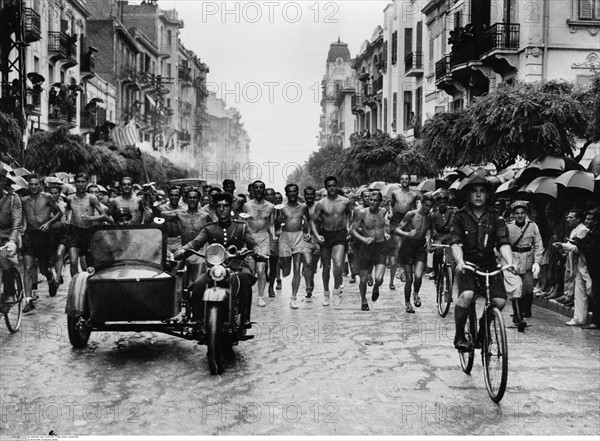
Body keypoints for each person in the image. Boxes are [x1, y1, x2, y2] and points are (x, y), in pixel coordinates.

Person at [174, 192, 265, 327]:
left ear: (231, 207)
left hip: (237, 265)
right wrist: (183, 250)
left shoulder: (241, 226)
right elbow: (196, 243)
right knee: (198, 285)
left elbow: (253, 243)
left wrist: (257, 251)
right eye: (218, 206)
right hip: (214, 268)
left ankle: (244, 318)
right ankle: (198, 319)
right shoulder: (209, 228)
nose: (222, 209)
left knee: (244, 280)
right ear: (214, 208)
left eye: (226, 206)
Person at [450, 175, 515, 352]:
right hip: (468, 264)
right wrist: (460, 261)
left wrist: (509, 261)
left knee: (500, 301)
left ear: (487, 195)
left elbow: (503, 242)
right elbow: (455, 242)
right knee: (467, 295)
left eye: (482, 191)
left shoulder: (496, 217)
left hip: (489, 264)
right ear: (468, 195)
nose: (478, 195)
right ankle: (459, 336)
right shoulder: (459, 216)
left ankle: (484, 325)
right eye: (474, 191)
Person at [21, 174, 63, 312]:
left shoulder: (47, 197)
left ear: (40, 185)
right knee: (28, 267)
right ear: (28, 185)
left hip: (44, 235)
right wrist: (22, 226)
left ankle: (51, 279)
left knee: (44, 268)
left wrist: (49, 223)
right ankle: (28, 300)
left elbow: (59, 213)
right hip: (29, 236)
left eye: (35, 184)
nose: (33, 187)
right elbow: (21, 216)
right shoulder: (24, 200)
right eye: (30, 184)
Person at [152, 188, 211, 284]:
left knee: (197, 282)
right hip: (183, 251)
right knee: (178, 281)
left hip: (199, 252)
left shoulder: (205, 216)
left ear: (199, 199)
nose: (192, 200)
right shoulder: (179, 213)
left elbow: (212, 232)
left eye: (195, 198)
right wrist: (153, 204)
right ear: (186, 199)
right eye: (190, 198)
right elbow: (161, 214)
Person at [310, 176, 352, 306]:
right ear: (326, 187)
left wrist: (348, 228)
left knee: (338, 264)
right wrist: (317, 236)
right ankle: (326, 293)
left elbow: (349, 215)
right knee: (326, 267)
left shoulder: (345, 201)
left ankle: (336, 290)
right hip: (325, 235)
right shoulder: (321, 204)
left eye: (334, 185)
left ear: (336, 186)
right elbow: (312, 221)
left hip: (339, 234)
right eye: (329, 186)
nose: (332, 188)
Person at [502, 201, 543, 332]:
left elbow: (538, 244)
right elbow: (501, 244)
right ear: (513, 214)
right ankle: (518, 317)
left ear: (526, 214)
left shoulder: (533, 226)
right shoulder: (507, 227)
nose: (520, 216)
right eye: (517, 213)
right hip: (512, 257)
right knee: (516, 287)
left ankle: (526, 311)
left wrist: (537, 261)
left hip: (527, 259)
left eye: (522, 213)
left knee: (527, 287)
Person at [392, 192, 434, 313]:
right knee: (409, 279)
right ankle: (407, 303)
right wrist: (407, 234)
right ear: (421, 203)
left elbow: (430, 229)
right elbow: (396, 230)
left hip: (420, 246)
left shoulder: (430, 217)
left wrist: (429, 240)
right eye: (426, 205)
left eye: (430, 206)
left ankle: (416, 293)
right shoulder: (411, 214)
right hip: (408, 246)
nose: (428, 208)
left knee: (418, 276)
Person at [64, 173, 110, 277]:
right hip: (74, 232)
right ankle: (75, 286)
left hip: (89, 232)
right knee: (73, 261)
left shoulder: (92, 198)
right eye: (78, 182)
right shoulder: (70, 198)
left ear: (86, 183)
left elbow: (103, 215)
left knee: (89, 265)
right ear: (75, 183)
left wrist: (92, 218)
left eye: (83, 182)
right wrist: (67, 218)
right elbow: (68, 209)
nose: (80, 184)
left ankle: (89, 286)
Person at [350, 190, 389, 311]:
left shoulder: (383, 212)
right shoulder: (362, 213)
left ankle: (376, 287)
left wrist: (387, 233)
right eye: (370, 200)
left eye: (375, 200)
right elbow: (352, 230)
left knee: (379, 279)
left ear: (380, 202)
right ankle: (363, 300)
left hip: (380, 247)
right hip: (366, 248)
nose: (372, 202)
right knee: (363, 279)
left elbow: (386, 224)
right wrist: (363, 238)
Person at [554, 209, 592, 327]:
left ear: (578, 219)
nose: (568, 219)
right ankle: (578, 318)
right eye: (568, 217)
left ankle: (582, 317)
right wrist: (563, 250)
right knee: (579, 291)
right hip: (576, 264)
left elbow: (578, 248)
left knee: (589, 289)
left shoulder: (583, 230)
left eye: (571, 217)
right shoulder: (574, 230)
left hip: (584, 265)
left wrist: (564, 245)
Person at [278, 184, 312, 309]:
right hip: (285, 237)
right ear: (286, 194)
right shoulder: (282, 207)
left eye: (294, 191)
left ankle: (293, 298)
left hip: (298, 236)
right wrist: (279, 220)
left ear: (298, 193)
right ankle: (281, 264)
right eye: (289, 192)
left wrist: (307, 233)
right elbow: (276, 222)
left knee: (297, 268)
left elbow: (308, 220)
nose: (292, 194)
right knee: (286, 271)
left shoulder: (303, 207)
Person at [242, 180, 275, 307]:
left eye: (261, 187)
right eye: (256, 188)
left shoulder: (270, 206)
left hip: (263, 238)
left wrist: (274, 236)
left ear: (264, 189)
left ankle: (260, 297)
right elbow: (243, 223)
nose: (259, 190)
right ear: (253, 190)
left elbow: (271, 224)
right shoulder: (247, 205)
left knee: (261, 269)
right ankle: (247, 295)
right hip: (250, 238)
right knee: (250, 271)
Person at [388, 173, 421, 290]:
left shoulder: (414, 194)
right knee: (397, 246)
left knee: (407, 248)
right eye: (402, 179)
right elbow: (390, 205)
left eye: (406, 179)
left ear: (409, 180)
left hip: (407, 222)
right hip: (396, 221)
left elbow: (417, 208)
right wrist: (390, 213)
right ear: (400, 180)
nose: (404, 180)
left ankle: (403, 270)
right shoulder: (395, 193)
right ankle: (394, 276)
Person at [569, 209, 600, 329]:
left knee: (595, 292)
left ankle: (596, 321)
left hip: (596, 267)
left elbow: (590, 248)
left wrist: (576, 243)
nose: (586, 221)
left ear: (596, 221)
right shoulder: (592, 232)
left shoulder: (596, 233)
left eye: (589, 219)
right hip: (593, 267)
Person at [0, 169, 22, 305]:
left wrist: (12, 241)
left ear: (3, 182)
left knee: (4, 257)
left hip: (10, 235)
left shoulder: (13, 198)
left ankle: (9, 293)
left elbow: (16, 223)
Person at [429, 189, 455, 281]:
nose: (442, 204)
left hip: (450, 236)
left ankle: (451, 275)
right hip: (439, 237)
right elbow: (431, 229)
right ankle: (436, 273)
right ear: (438, 203)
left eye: (444, 202)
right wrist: (431, 241)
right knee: (438, 252)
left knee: (454, 255)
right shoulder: (434, 214)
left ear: (447, 203)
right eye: (440, 202)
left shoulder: (452, 212)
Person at [303, 186, 320, 301]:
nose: (309, 196)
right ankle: (308, 288)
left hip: (318, 238)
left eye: (311, 194)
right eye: (307, 194)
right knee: (307, 263)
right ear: (304, 195)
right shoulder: (301, 207)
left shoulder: (319, 206)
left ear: (314, 195)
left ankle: (310, 279)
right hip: (304, 238)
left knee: (313, 267)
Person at [158, 186, 184, 255]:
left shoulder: (184, 210)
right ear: (168, 196)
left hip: (179, 242)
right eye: (172, 195)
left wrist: (165, 214)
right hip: (165, 241)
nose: (174, 197)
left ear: (180, 196)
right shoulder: (162, 208)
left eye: (176, 195)